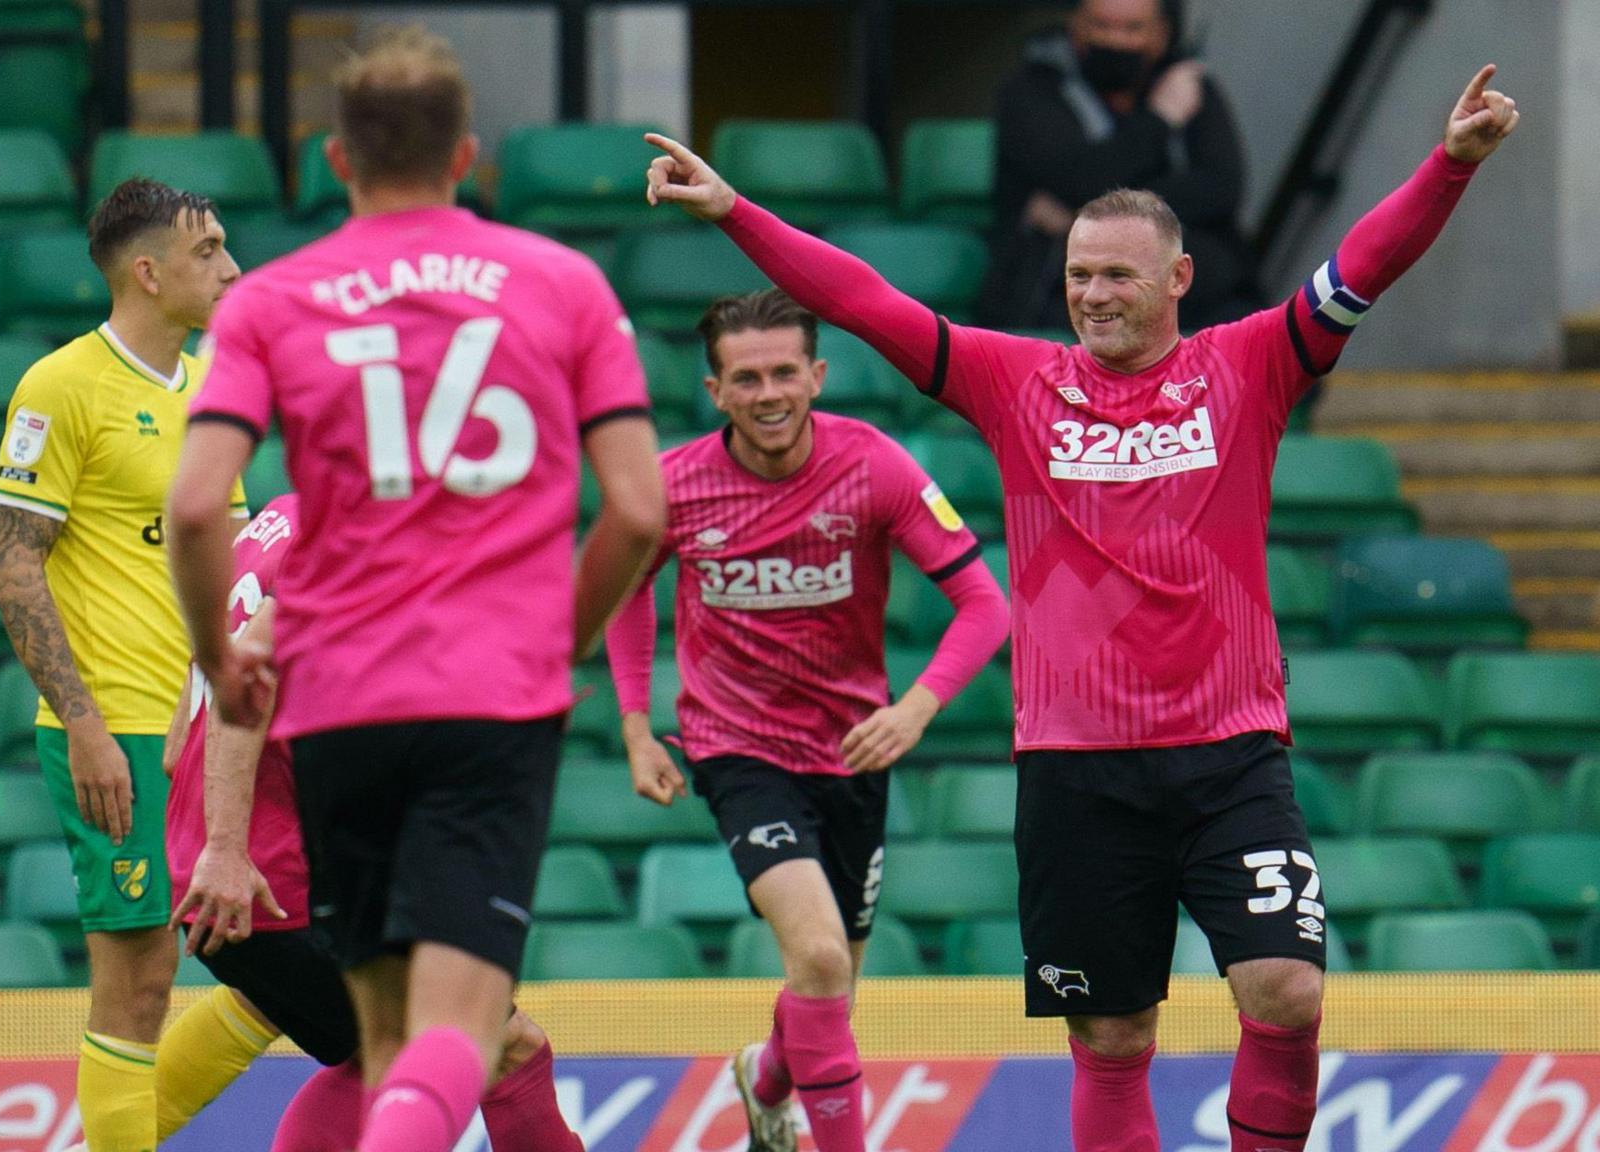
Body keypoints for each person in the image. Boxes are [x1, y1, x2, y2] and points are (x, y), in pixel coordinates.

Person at [644, 63, 1517, 1152]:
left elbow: (1364, 266)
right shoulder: (1013, 382)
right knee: (1108, 1035)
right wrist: (736, 214)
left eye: (1116, 275)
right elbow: (858, 302)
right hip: (1072, 765)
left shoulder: (1249, 365)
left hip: (1229, 751)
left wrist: (1450, 164)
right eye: (1077, 275)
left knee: (1286, 991)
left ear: (1178, 277)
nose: (1093, 295)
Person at [166, 27, 666, 1152]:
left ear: (335, 161)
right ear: (471, 159)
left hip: (344, 702)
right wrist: (563, 641)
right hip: (489, 698)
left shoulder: (274, 301)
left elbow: (197, 508)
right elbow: (637, 510)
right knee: (463, 1024)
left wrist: (214, 659)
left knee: (388, 1034)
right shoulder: (562, 283)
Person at [605, 289, 1009, 1152]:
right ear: (714, 391)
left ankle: (766, 1079)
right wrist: (638, 727)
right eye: (745, 377)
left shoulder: (877, 467)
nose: (769, 392)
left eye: (785, 371)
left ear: (818, 375)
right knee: (820, 960)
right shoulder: (673, 486)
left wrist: (916, 708)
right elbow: (624, 594)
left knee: (829, 991)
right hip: (735, 746)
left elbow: (985, 604)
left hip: (855, 752)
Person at [160, 494, 585, 1151]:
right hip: (272, 879)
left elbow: (182, 731)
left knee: (379, 1059)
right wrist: (226, 846)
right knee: (496, 1046)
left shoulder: (280, 517)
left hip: (251, 864)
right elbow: (250, 683)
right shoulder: (345, 537)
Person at [0, 178, 247, 1152]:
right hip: (120, 726)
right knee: (137, 982)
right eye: (209, 250)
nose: (231, 268)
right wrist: (85, 724)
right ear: (148, 271)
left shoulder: (221, 378)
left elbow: (229, 547)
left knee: (288, 960)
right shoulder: (59, 387)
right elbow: (14, 568)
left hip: (217, 726)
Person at [980, 0, 1258, 331]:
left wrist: (1084, 212)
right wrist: (1160, 120)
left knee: (1273, 353)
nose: (1115, 42)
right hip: (1063, 293)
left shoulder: (1187, 86)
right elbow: (1078, 179)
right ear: (1076, 27)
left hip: (1192, 290)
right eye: (1101, 26)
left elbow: (1221, 187)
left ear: (1160, 35)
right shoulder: (1031, 91)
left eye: (1132, 29)